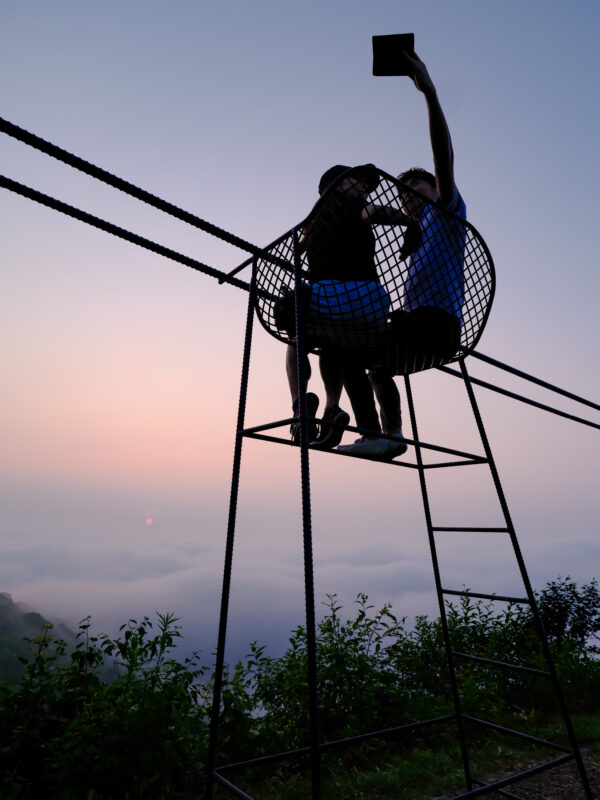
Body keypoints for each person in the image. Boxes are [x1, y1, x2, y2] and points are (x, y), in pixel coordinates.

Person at [337, 51, 466, 459]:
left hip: (436, 327)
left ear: (434, 189)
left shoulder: (445, 214)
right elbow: (373, 215)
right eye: (402, 191)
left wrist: (430, 93)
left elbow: (443, 158)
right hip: (418, 326)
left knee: (351, 353)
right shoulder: (418, 233)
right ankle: (390, 434)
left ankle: (375, 434)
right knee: (367, 356)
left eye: (416, 186)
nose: (408, 194)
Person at [286, 164, 420, 450]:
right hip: (373, 306)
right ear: (335, 185)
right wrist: (411, 222)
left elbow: (372, 212)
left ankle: (299, 406)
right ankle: (331, 409)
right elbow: (372, 213)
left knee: (296, 338)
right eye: (355, 179)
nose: (363, 185)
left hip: (331, 299)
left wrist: (409, 222)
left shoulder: (318, 221)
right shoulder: (345, 206)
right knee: (332, 343)